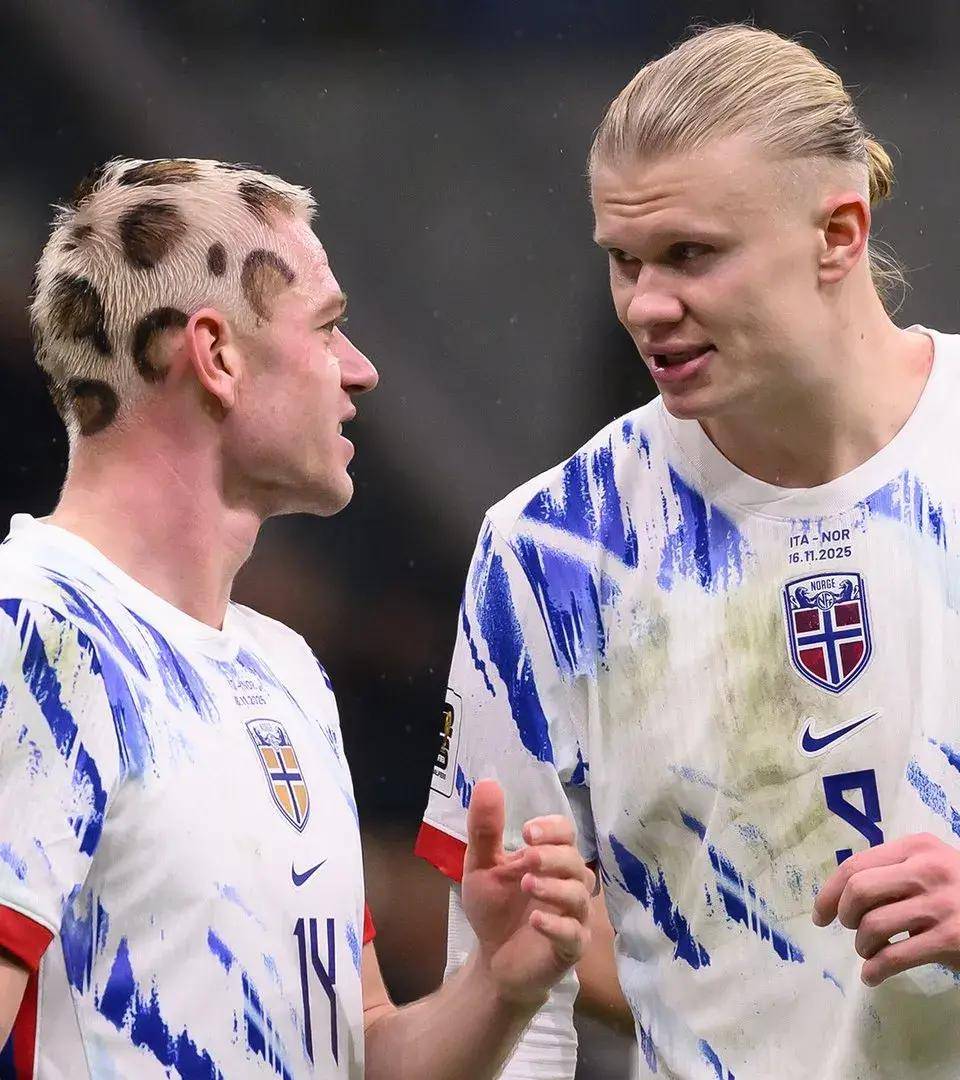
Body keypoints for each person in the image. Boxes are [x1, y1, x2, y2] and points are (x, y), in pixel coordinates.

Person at [416, 22, 960, 1079]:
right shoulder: (552, 552)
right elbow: (515, 992)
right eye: (622, 262)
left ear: (838, 233)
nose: (646, 306)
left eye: (691, 255)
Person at [0, 157, 595, 1079]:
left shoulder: (283, 669)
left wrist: (498, 985)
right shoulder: (33, 632)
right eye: (327, 327)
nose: (360, 370)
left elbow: (365, 1051)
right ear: (218, 355)